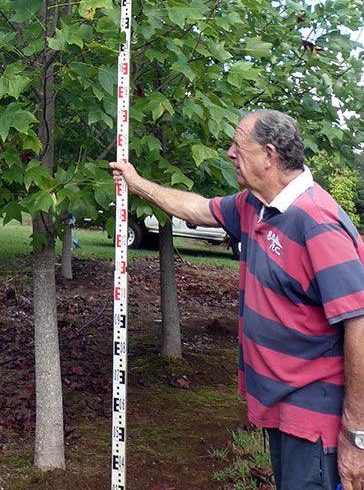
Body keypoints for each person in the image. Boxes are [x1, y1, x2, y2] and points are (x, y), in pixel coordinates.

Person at [110, 109, 364, 490]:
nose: (229, 152)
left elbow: (358, 322)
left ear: (269, 155)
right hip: (280, 403)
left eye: (238, 145)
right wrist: (136, 182)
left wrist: (356, 434)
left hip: (315, 416)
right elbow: (194, 207)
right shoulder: (255, 206)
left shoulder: (317, 222)